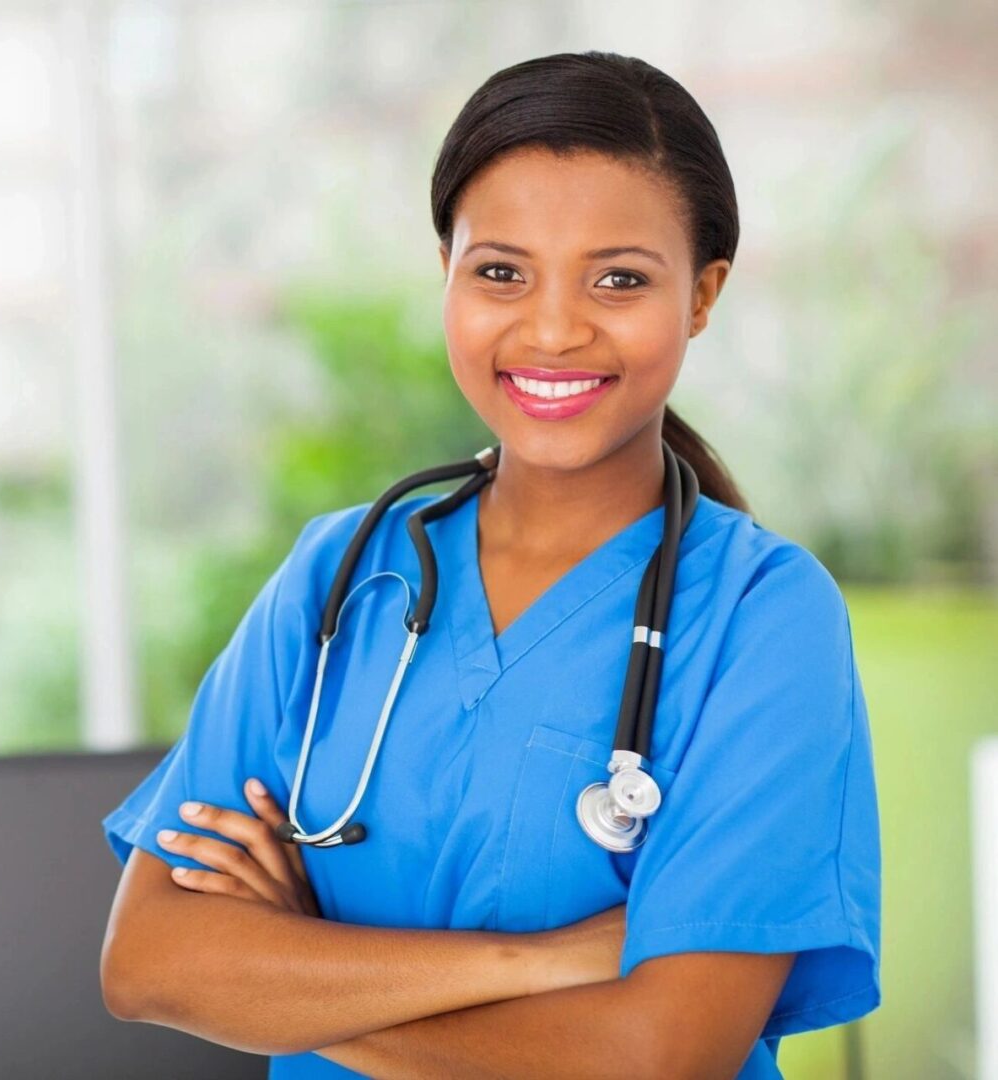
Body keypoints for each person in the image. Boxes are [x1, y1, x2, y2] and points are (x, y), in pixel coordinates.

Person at [97, 50, 881, 1080]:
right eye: (501, 272)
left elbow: (658, 1055)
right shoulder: (340, 579)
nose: (553, 329)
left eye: (620, 279)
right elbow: (148, 960)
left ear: (703, 294)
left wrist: (280, 985)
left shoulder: (764, 618)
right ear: (447, 275)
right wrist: (545, 962)